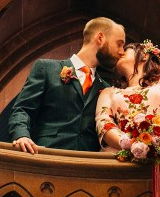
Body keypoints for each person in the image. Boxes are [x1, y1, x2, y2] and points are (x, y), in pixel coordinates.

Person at [9, 17, 127, 153]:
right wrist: (21, 135)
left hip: (87, 164)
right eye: (119, 44)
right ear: (100, 38)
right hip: (46, 155)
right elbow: (22, 109)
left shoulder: (106, 89)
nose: (122, 52)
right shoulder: (47, 69)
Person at [95, 41, 160, 158]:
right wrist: (130, 145)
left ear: (144, 55)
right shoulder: (109, 92)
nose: (120, 52)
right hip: (123, 155)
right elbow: (104, 123)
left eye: (126, 49)